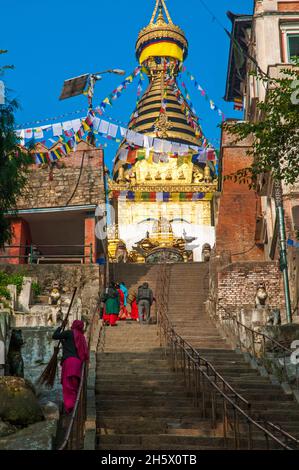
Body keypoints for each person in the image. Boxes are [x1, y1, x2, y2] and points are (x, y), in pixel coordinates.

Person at [52, 320, 89, 414]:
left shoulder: (69, 333)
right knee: (74, 386)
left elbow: (55, 336)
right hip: (78, 364)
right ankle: (76, 406)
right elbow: (78, 349)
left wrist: (61, 326)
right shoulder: (81, 337)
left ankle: (70, 407)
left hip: (69, 363)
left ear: (73, 325)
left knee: (68, 387)